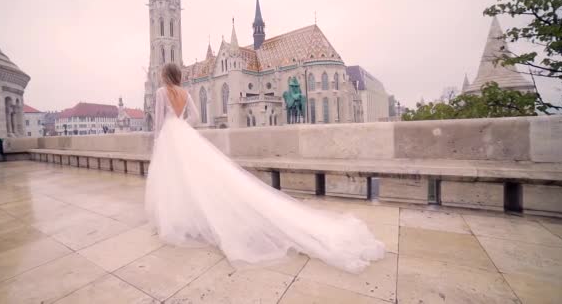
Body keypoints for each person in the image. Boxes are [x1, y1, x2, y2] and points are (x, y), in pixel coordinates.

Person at [145, 63, 384, 274]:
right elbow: (195, 118)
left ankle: (179, 222)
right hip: (185, 136)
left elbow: (157, 121)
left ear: (165, 77)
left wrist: (164, 135)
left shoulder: (160, 92)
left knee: (176, 181)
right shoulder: (185, 93)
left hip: (170, 137)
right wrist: (182, 127)